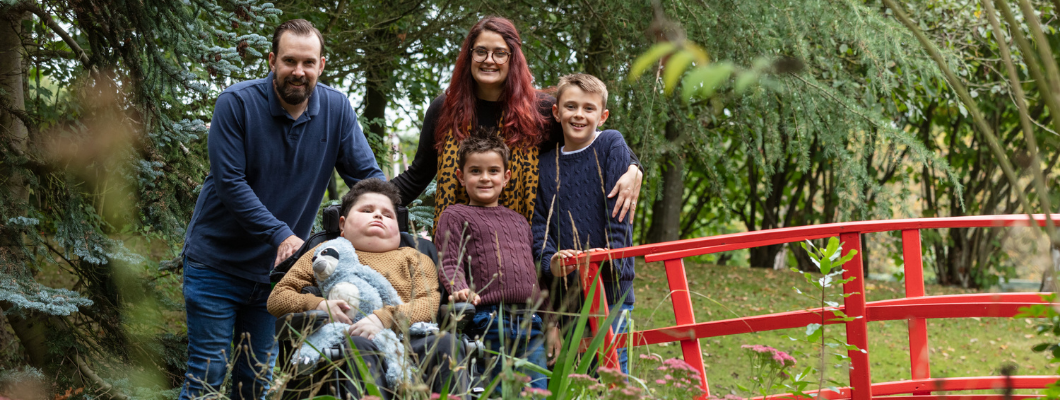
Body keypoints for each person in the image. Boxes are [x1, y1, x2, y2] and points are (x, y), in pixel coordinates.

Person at [179, 19, 386, 400]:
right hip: (215, 265)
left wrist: (391, 220)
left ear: (321, 65)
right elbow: (230, 183)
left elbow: (367, 177)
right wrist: (281, 234)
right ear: (273, 60)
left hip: (273, 276)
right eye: (290, 61)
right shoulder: (236, 104)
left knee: (256, 379)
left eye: (308, 63)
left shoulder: (337, 109)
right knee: (206, 375)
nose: (299, 71)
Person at [390, 16, 643, 230]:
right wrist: (366, 199)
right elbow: (417, 176)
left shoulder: (540, 110)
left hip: (523, 246)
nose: (489, 60)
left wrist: (633, 168)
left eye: (500, 53)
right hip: (457, 243)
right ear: (469, 56)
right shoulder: (445, 108)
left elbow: (591, 140)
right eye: (480, 51)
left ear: (513, 58)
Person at [268, 178, 463, 399]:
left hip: (407, 338)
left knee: (446, 342)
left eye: (387, 214)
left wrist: (384, 318)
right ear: (342, 224)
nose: (378, 215)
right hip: (348, 337)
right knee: (358, 344)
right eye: (367, 210)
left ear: (398, 228)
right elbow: (278, 298)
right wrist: (320, 304)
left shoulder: (416, 257)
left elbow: (428, 303)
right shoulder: (326, 251)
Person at [434, 131, 558, 391]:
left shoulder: (520, 221)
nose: (485, 178)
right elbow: (448, 260)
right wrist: (459, 288)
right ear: (461, 176)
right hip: (488, 321)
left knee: (536, 392)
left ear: (506, 177)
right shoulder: (455, 215)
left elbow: (536, 276)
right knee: (495, 391)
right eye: (475, 171)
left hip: (531, 322)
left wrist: (551, 323)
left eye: (493, 171)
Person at [531, 74, 635, 374]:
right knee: (575, 377)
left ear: (602, 115)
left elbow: (619, 211)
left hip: (612, 289)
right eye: (571, 106)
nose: (579, 115)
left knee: (615, 378)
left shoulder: (611, 144)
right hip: (567, 292)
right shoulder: (544, 165)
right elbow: (540, 225)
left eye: (589, 109)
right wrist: (548, 260)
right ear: (556, 112)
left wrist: (610, 262)